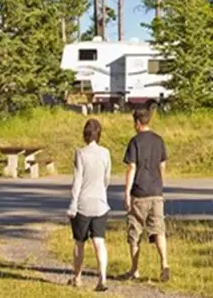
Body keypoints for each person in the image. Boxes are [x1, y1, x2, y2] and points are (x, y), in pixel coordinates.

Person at [122, 107, 170, 282]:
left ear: (137, 122)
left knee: (135, 231)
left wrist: (127, 193)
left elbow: (132, 167)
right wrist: (160, 184)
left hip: (139, 192)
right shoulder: (159, 140)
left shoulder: (135, 142)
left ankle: (134, 269)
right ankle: (164, 264)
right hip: (156, 192)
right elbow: (162, 166)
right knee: (158, 230)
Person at [67, 118, 112, 292]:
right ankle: (102, 278)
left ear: (85, 135)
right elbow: (107, 178)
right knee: (99, 241)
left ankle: (77, 277)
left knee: (79, 242)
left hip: (83, 204)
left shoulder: (80, 153)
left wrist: (73, 203)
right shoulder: (106, 153)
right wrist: (101, 191)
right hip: (101, 203)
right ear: (99, 134)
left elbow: (77, 181)